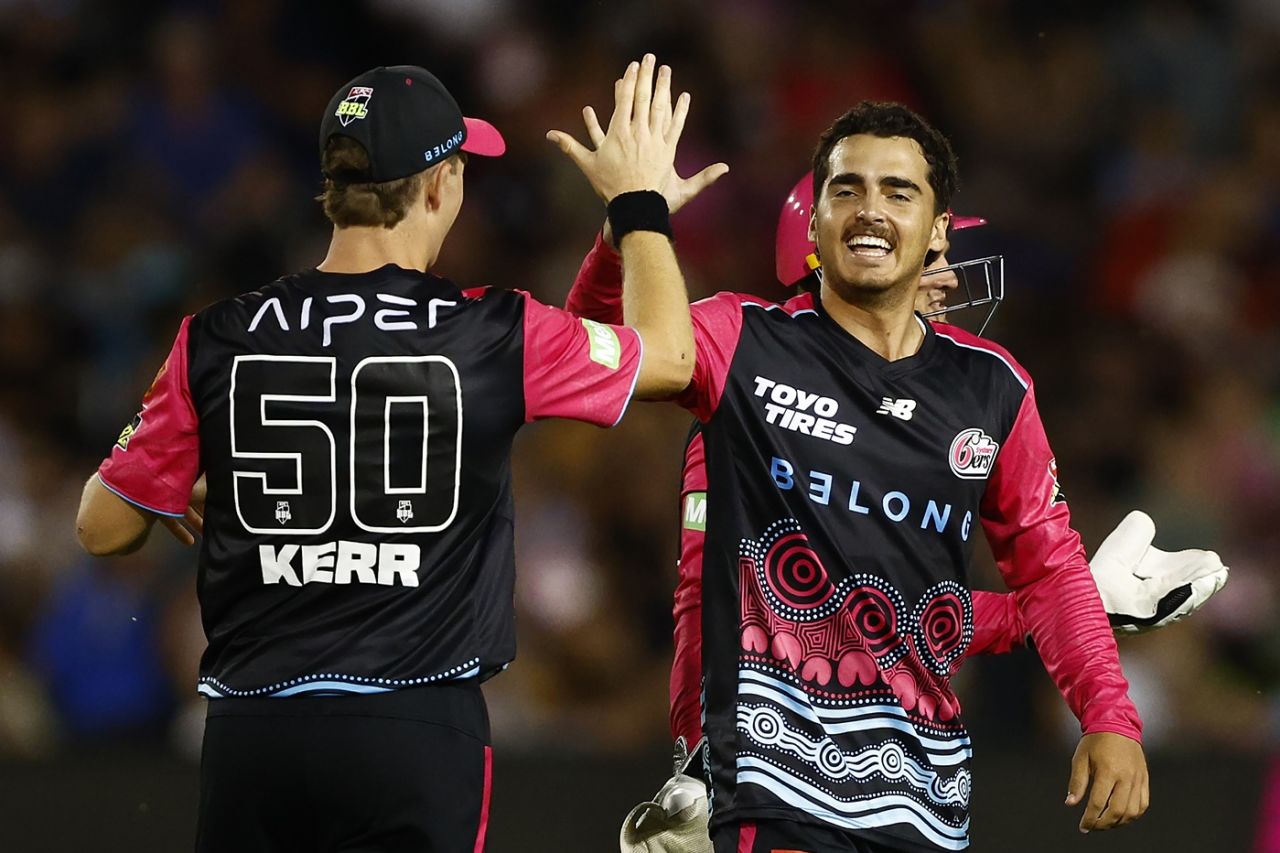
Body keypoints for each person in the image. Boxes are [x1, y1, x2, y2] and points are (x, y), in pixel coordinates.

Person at [75, 55, 695, 853]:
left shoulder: (218, 334)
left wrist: (196, 478)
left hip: (253, 733)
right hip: (414, 731)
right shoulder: (491, 332)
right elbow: (671, 358)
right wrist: (639, 207)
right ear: (437, 185)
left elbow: (103, 528)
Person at [550, 99, 1149, 852]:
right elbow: (600, 347)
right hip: (771, 786)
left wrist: (1108, 713)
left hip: (927, 798)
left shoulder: (994, 387)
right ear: (814, 226)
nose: (873, 212)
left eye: (899, 193)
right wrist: (629, 219)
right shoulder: (741, 341)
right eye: (848, 189)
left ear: (934, 225)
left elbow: (1027, 571)